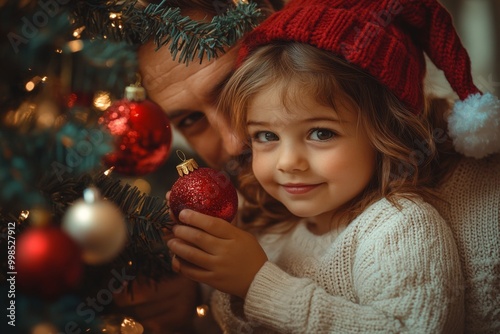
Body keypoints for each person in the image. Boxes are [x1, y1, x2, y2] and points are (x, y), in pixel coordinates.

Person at [138, 0, 500, 333]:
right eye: (265, 133)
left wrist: (258, 284)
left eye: (321, 132)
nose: (235, 143)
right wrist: (208, 280)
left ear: (387, 129)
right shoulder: (271, 211)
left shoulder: (404, 225)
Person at [111, 1, 284, 333]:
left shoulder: (392, 215)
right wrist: (192, 298)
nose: (233, 142)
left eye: (236, 89)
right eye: (190, 120)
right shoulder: (232, 216)